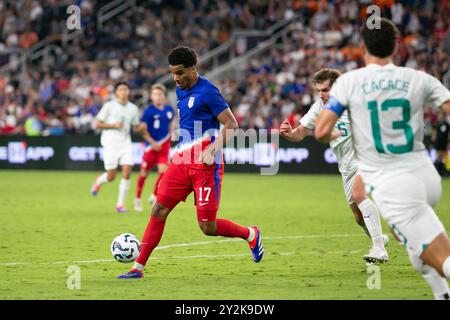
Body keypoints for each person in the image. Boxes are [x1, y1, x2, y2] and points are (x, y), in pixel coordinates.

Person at [315, 17, 450, 300]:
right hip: (426, 175)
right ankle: (442, 295)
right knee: (415, 242)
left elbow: (322, 131)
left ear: (363, 48)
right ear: (396, 47)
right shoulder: (419, 78)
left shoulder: (350, 82)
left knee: (440, 257)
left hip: (393, 181)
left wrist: (333, 130)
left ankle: (380, 248)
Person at [117, 46, 264, 279]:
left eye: (180, 72)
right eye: (172, 73)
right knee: (159, 209)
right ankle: (138, 267)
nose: (176, 78)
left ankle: (250, 234)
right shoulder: (179, 88)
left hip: (206, 165)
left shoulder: (209, 92)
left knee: (208, 227)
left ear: (193, 69)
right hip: (182, 159)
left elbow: (232, 125)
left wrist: (213, 148)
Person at [280, 68, 389, 264]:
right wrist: (288, 133)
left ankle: (379, 248)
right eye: (318, 90)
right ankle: (379, 238)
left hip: (365, 157)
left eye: (326, 90)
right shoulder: (319, 108)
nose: (321, 95)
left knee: (358, 194)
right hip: (345, 165)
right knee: (357, 216)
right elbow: (300, 134)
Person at [91, 81, 151, 213]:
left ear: (128, 91)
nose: (123, 92)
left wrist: (141, 128)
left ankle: (120, 205)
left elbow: (135, 127)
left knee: (127, 171)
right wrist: (113, 125)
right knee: (111, 176)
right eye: (121, 89)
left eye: (125, 89)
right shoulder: (109, 106)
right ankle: (99, 181)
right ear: (117, 92)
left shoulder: (133, 108)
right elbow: (97, 124)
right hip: (110, 143)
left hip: (125, 143)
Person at [134, 84, 175, 212]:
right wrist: (152, 143)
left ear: (164, 96)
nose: (158, 97)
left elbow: (171, 124)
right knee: (144, 173)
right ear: (151, 96)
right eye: (155, 94)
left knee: (164, 172)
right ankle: (137, 199)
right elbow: (142, 130)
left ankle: (154, 195)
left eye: (160, 94)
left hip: (164, 145)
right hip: (151, 147)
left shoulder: (169, 110)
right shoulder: (148, 111)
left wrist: (170, 136)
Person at [431, 111, 449, 176]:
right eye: (440, 116)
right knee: (438, 157)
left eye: (442, 116)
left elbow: (448, 134)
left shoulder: (447, 125)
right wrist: (432, 143)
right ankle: (438, 171)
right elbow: (434, 134)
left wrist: (448, 143)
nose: (441, 117)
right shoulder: (436, 124)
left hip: (444, 143)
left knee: (443, 158)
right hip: (438, 143)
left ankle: (443, 171)